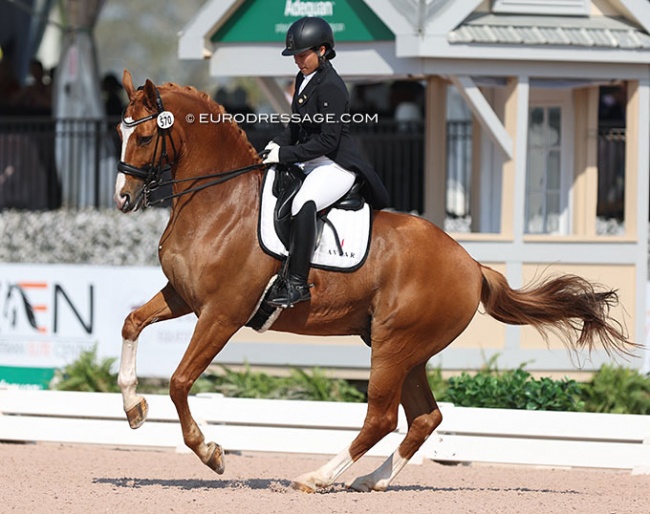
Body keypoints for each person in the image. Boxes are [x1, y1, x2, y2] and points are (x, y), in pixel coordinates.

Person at [263, 16, 389, 309]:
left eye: (302, 54)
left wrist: (286, 155)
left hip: (335, 165)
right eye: (294, 55)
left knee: (302, 202)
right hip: (311, 161)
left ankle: (296, 283)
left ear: (321, 50)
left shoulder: (332, 85)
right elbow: (296, 126)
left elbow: (327, 142)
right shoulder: (303, 78)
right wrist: (276, 145)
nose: (297, 61)